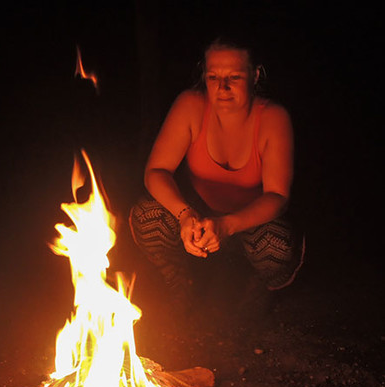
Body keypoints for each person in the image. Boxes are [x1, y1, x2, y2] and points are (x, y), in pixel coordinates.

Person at [129, 38, 305, 320]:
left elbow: (277, 196)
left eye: (233, 77)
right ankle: (180, 286)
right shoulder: (191, 105)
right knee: (148, 216)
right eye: (213, 77)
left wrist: (226, 226)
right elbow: (156, 172)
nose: (222, 87)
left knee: (277, 244)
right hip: (198, 220)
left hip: (249, 224)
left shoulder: (272, 117)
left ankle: (259, 291)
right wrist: (185, 215)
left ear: (255, 75)